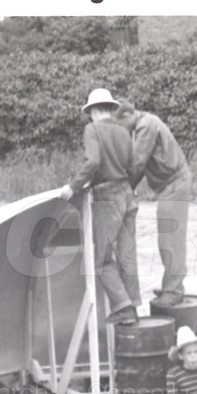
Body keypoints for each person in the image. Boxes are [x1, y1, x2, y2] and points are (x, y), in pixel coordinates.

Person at [59, 88, 140, 325]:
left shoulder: (92, 129)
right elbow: (134, 165)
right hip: (128, 194)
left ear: (93, 110)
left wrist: (73, 186)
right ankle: (133, 304)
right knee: (127, 256)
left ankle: (123, 307)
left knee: (102, 259)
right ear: (111, 108)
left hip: (107, 196)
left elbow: (93, 161)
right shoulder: (124, 131)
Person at [114, 99, 193, 308]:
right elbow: (139, 165)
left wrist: (121, 188)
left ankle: (174, 290)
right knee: (166, 239)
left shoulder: (145, 126)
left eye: (118, 124)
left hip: (174, 183)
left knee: (171, 239)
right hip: (169, 185)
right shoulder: (141, 125)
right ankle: (172, 286)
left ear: (126, 117)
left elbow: (137, 163)